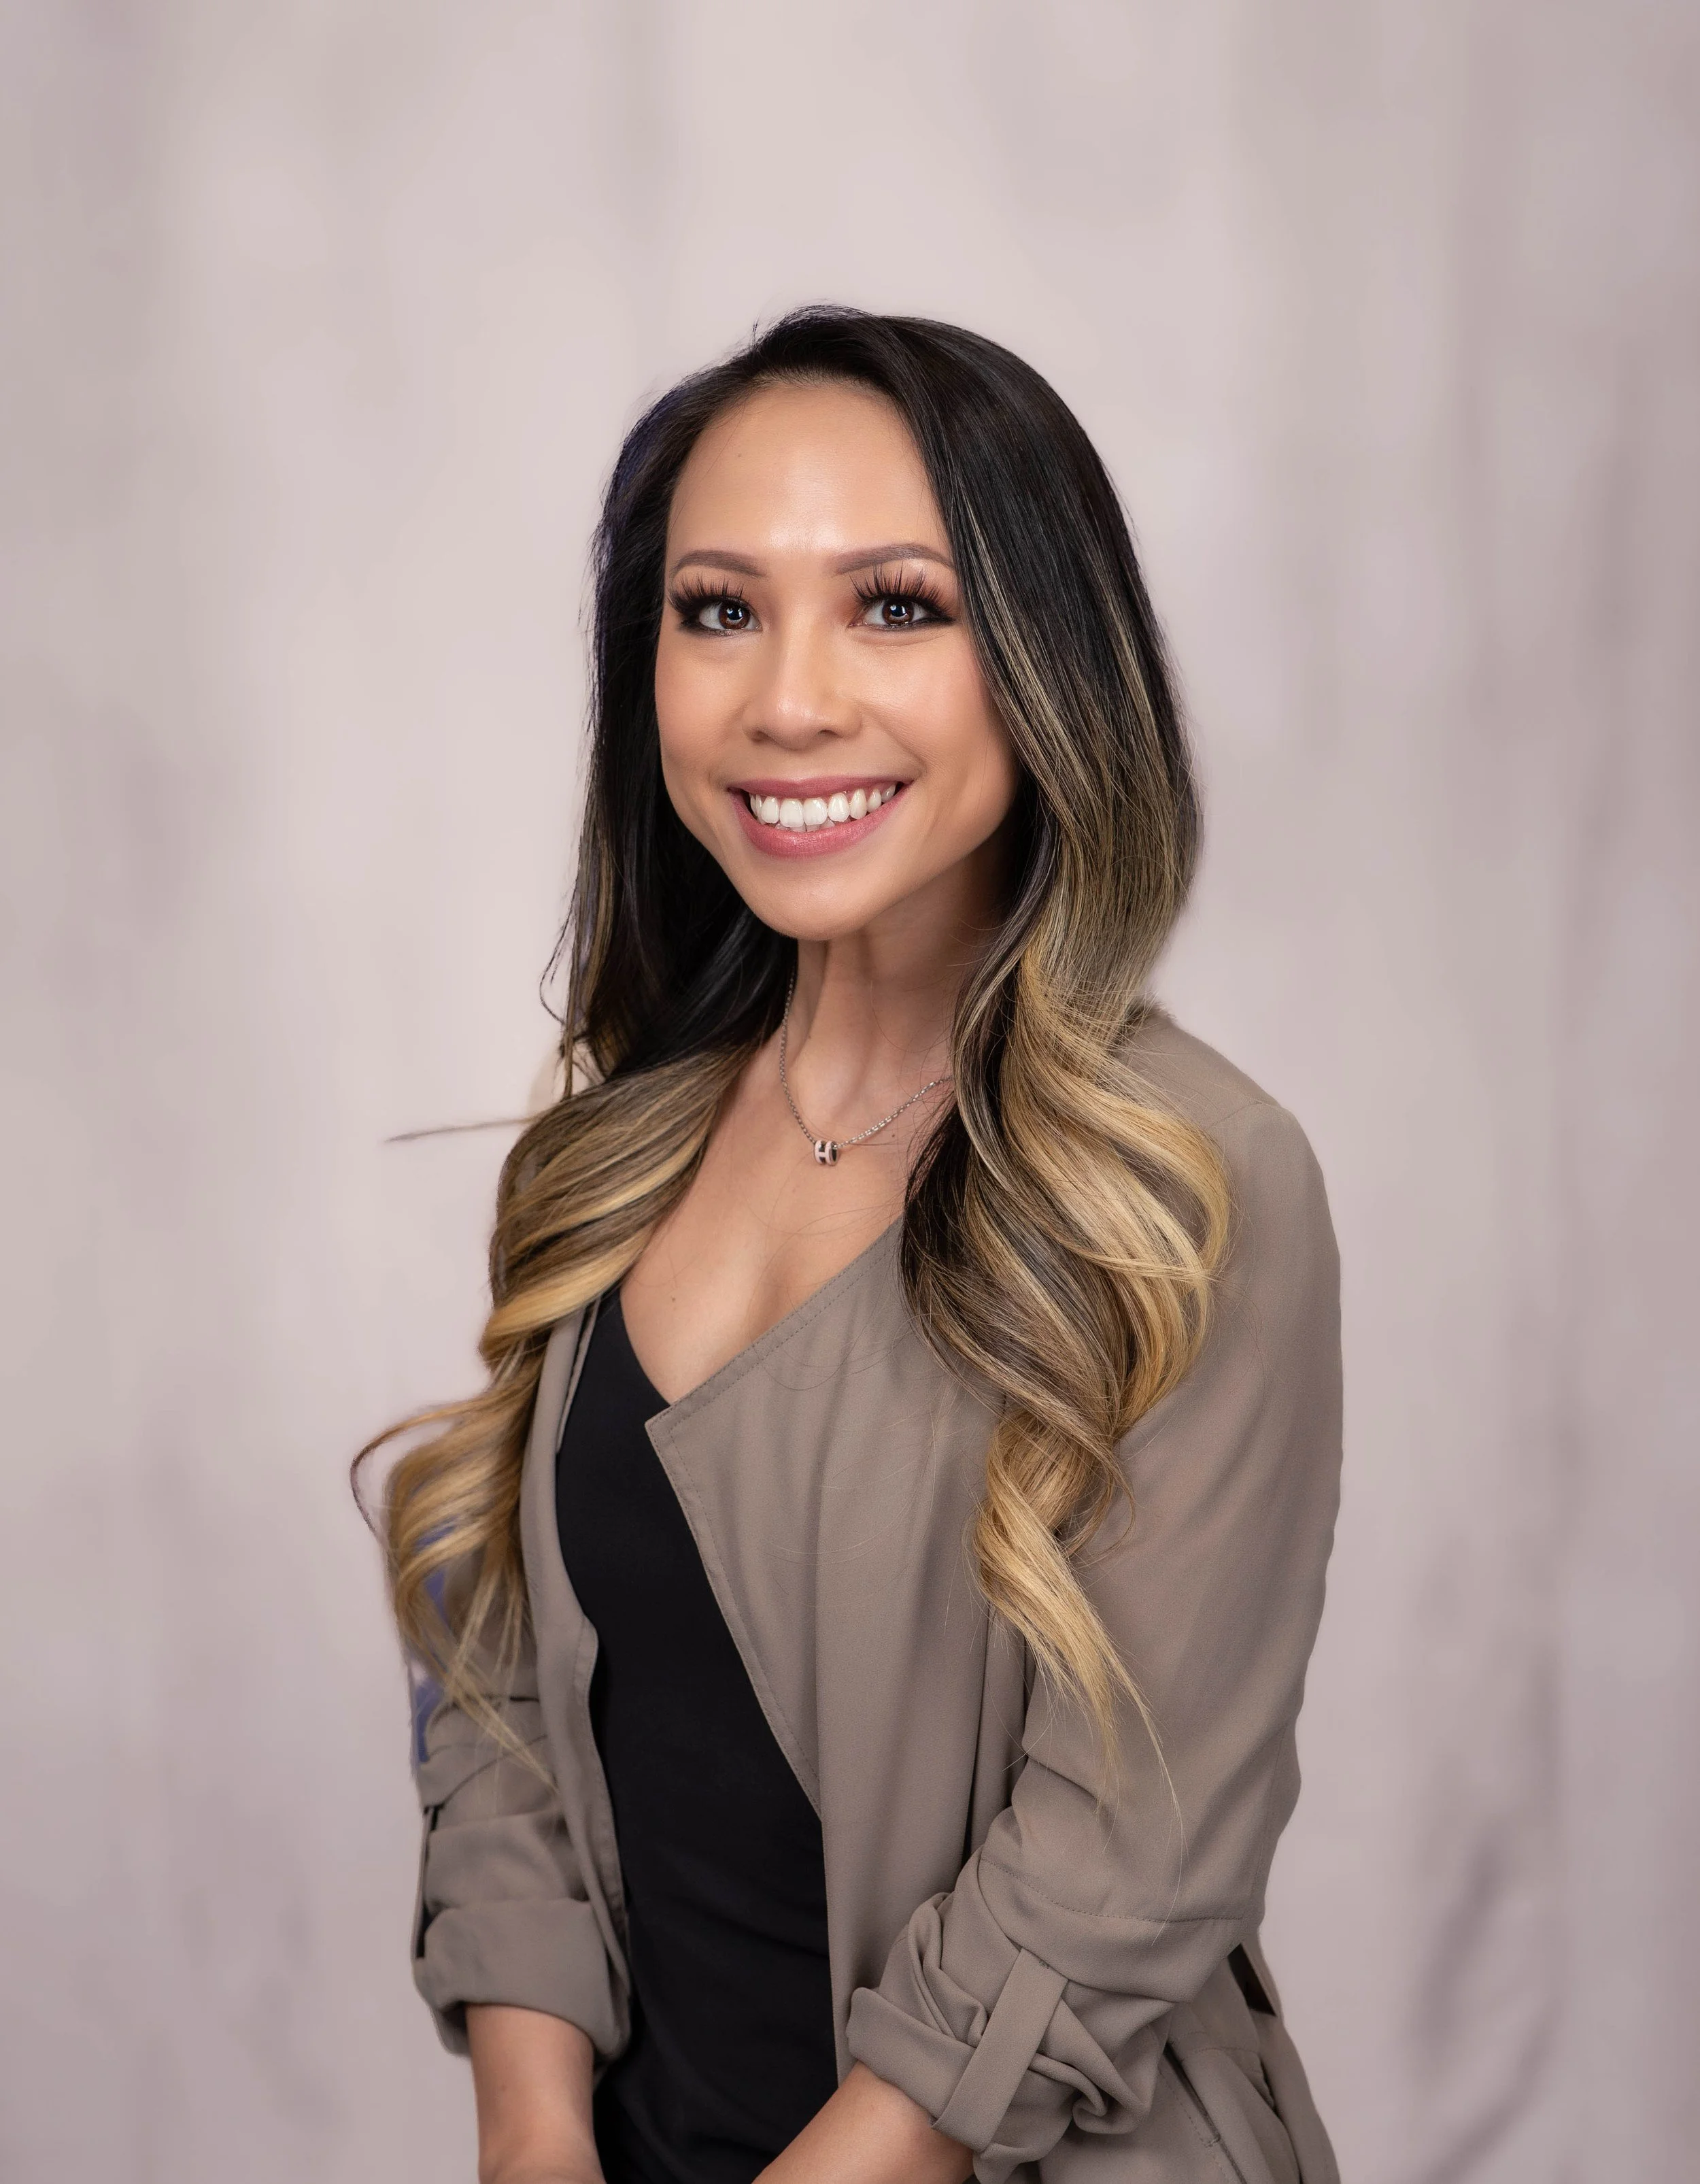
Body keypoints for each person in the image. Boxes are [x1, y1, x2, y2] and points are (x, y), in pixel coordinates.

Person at [365, 308, 1342, 2184]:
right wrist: (527, 2129)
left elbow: (1130, 1856)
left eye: (896, 604)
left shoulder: (1189, 1184)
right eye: (715, 607)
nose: (785, 699)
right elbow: (501, 1695)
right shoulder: (609, 1156)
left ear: (1049, 664)